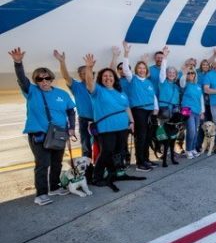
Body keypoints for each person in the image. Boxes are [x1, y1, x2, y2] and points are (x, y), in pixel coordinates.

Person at [9, 47, 76, 206]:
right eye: (39, 79)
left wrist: (71, 127)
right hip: (39, 134)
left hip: (59, 134)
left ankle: (54, 187)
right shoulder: (31, 91)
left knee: (57, 163)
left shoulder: (62, 94)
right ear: (36, 81)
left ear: (51, 78)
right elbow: (22, 79)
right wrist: (18, 63)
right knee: (42, 165)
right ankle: (41, 194)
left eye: (47, 78)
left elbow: (70, 111)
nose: (44, 81)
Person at [83, 54, 134, 189]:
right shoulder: (98, 91)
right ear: (100, 78)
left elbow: (126, 107)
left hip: (123, 126)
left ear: (114, 78)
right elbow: (89, 83)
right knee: (106, 152)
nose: (108, 78)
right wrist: (89, 68)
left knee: (118, 151)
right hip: (106, 128)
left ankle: (113, 173)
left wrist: (132, 122)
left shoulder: (120, 91)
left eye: (110, 76)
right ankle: (97, 176)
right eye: (105, 76)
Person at [121, 42, 158, 172]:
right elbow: (125, 69)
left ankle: (146, 159)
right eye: (140, 68)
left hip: (149, 111)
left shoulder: (148, 82)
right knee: (140, 137)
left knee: (148, 136)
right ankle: (140, 162)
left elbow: (153, 97)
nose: (142, 70)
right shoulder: (133, 79)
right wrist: (126, 53)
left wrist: (156, 108)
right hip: (138, 111)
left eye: (144, 68)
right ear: (136, 70)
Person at [53, 50, 94, 159]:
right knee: (86, 146)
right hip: (85, 120)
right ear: (80, 76)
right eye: (83, 73)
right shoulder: (76, 86)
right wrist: (62, 62)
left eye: (88, 72)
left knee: (103, 145)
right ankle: (87, 170)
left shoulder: (98, 86)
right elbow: (66, 77)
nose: (86, 75)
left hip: (99, 119)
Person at [180, 65, 205, 158]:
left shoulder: (198, 86)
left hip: (197, 110)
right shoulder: (185, 84)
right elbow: (182, 82)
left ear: (195, 74)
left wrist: (202, 111)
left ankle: (193, 148)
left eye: (192, 73)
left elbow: (201, 99)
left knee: (195, 131)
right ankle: (188, 150)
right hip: (186, 109)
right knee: (191, 130)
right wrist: (184, 73)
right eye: (189, 73)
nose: (190, 74)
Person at [157, 47, 180, 119]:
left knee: (174, 129)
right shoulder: (163, 82)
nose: (171, 74)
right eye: (169, 72)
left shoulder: (177, 86)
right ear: (166, 74)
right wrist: (165, 57)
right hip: (164, 109)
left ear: (176, 75)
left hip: (175, 109)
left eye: (174, 73)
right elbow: (163, 70)